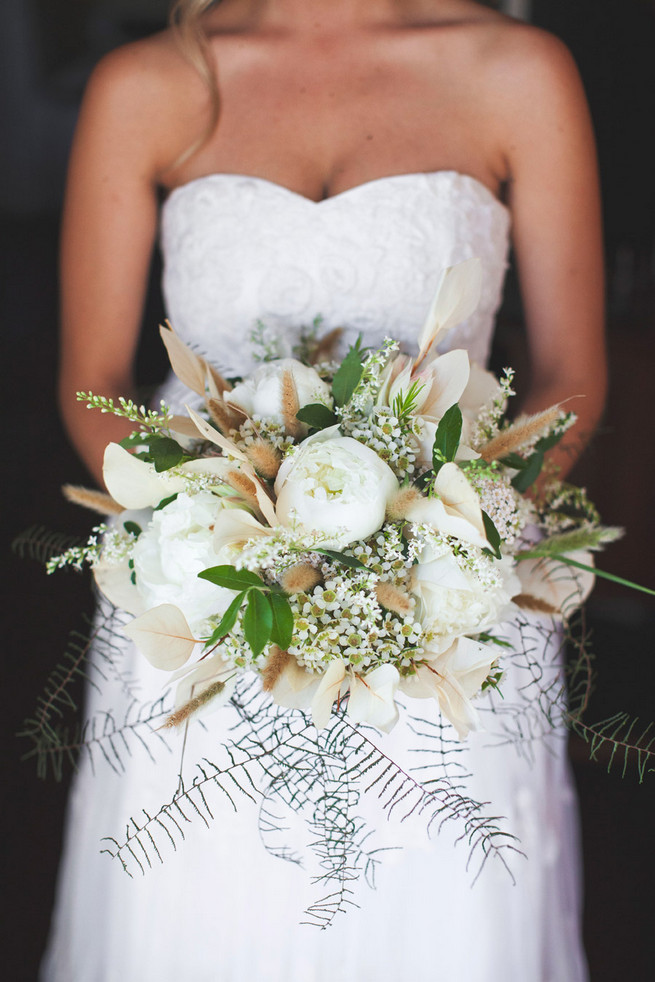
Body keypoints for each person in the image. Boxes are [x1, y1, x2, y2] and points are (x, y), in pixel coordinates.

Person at [43, 1, 607, 979]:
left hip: (448, 614)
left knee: (441, 917)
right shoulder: (148, 85)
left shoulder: (516, 70)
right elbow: (90, 383)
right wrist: (224, 537)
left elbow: (570, 375)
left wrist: (443, 546)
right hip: (206, 605)